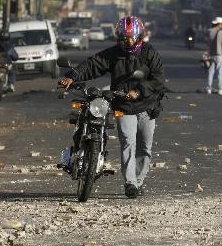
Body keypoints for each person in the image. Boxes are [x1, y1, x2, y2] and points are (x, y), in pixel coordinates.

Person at [58, 16, 165, 199]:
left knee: (144, 148)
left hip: (147, 106)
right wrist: (72, 76)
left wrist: (138, 92)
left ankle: (138, 182)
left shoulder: (150, 54)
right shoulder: (114, 53)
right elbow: (93, 64)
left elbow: (158, 80)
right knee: (128, 143)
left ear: (139, 36)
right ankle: (130, 183)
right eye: (124, 38)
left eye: (131, 37)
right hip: (123, 106)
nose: (128, 41)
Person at [206, 16, 222, 95]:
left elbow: (208, 43)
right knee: (220, 73)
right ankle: (221, 89)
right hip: (219, 55)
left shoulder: (209, 31)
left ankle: (209, 88)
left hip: (212, 54)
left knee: (211, 72)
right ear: (219, 24)